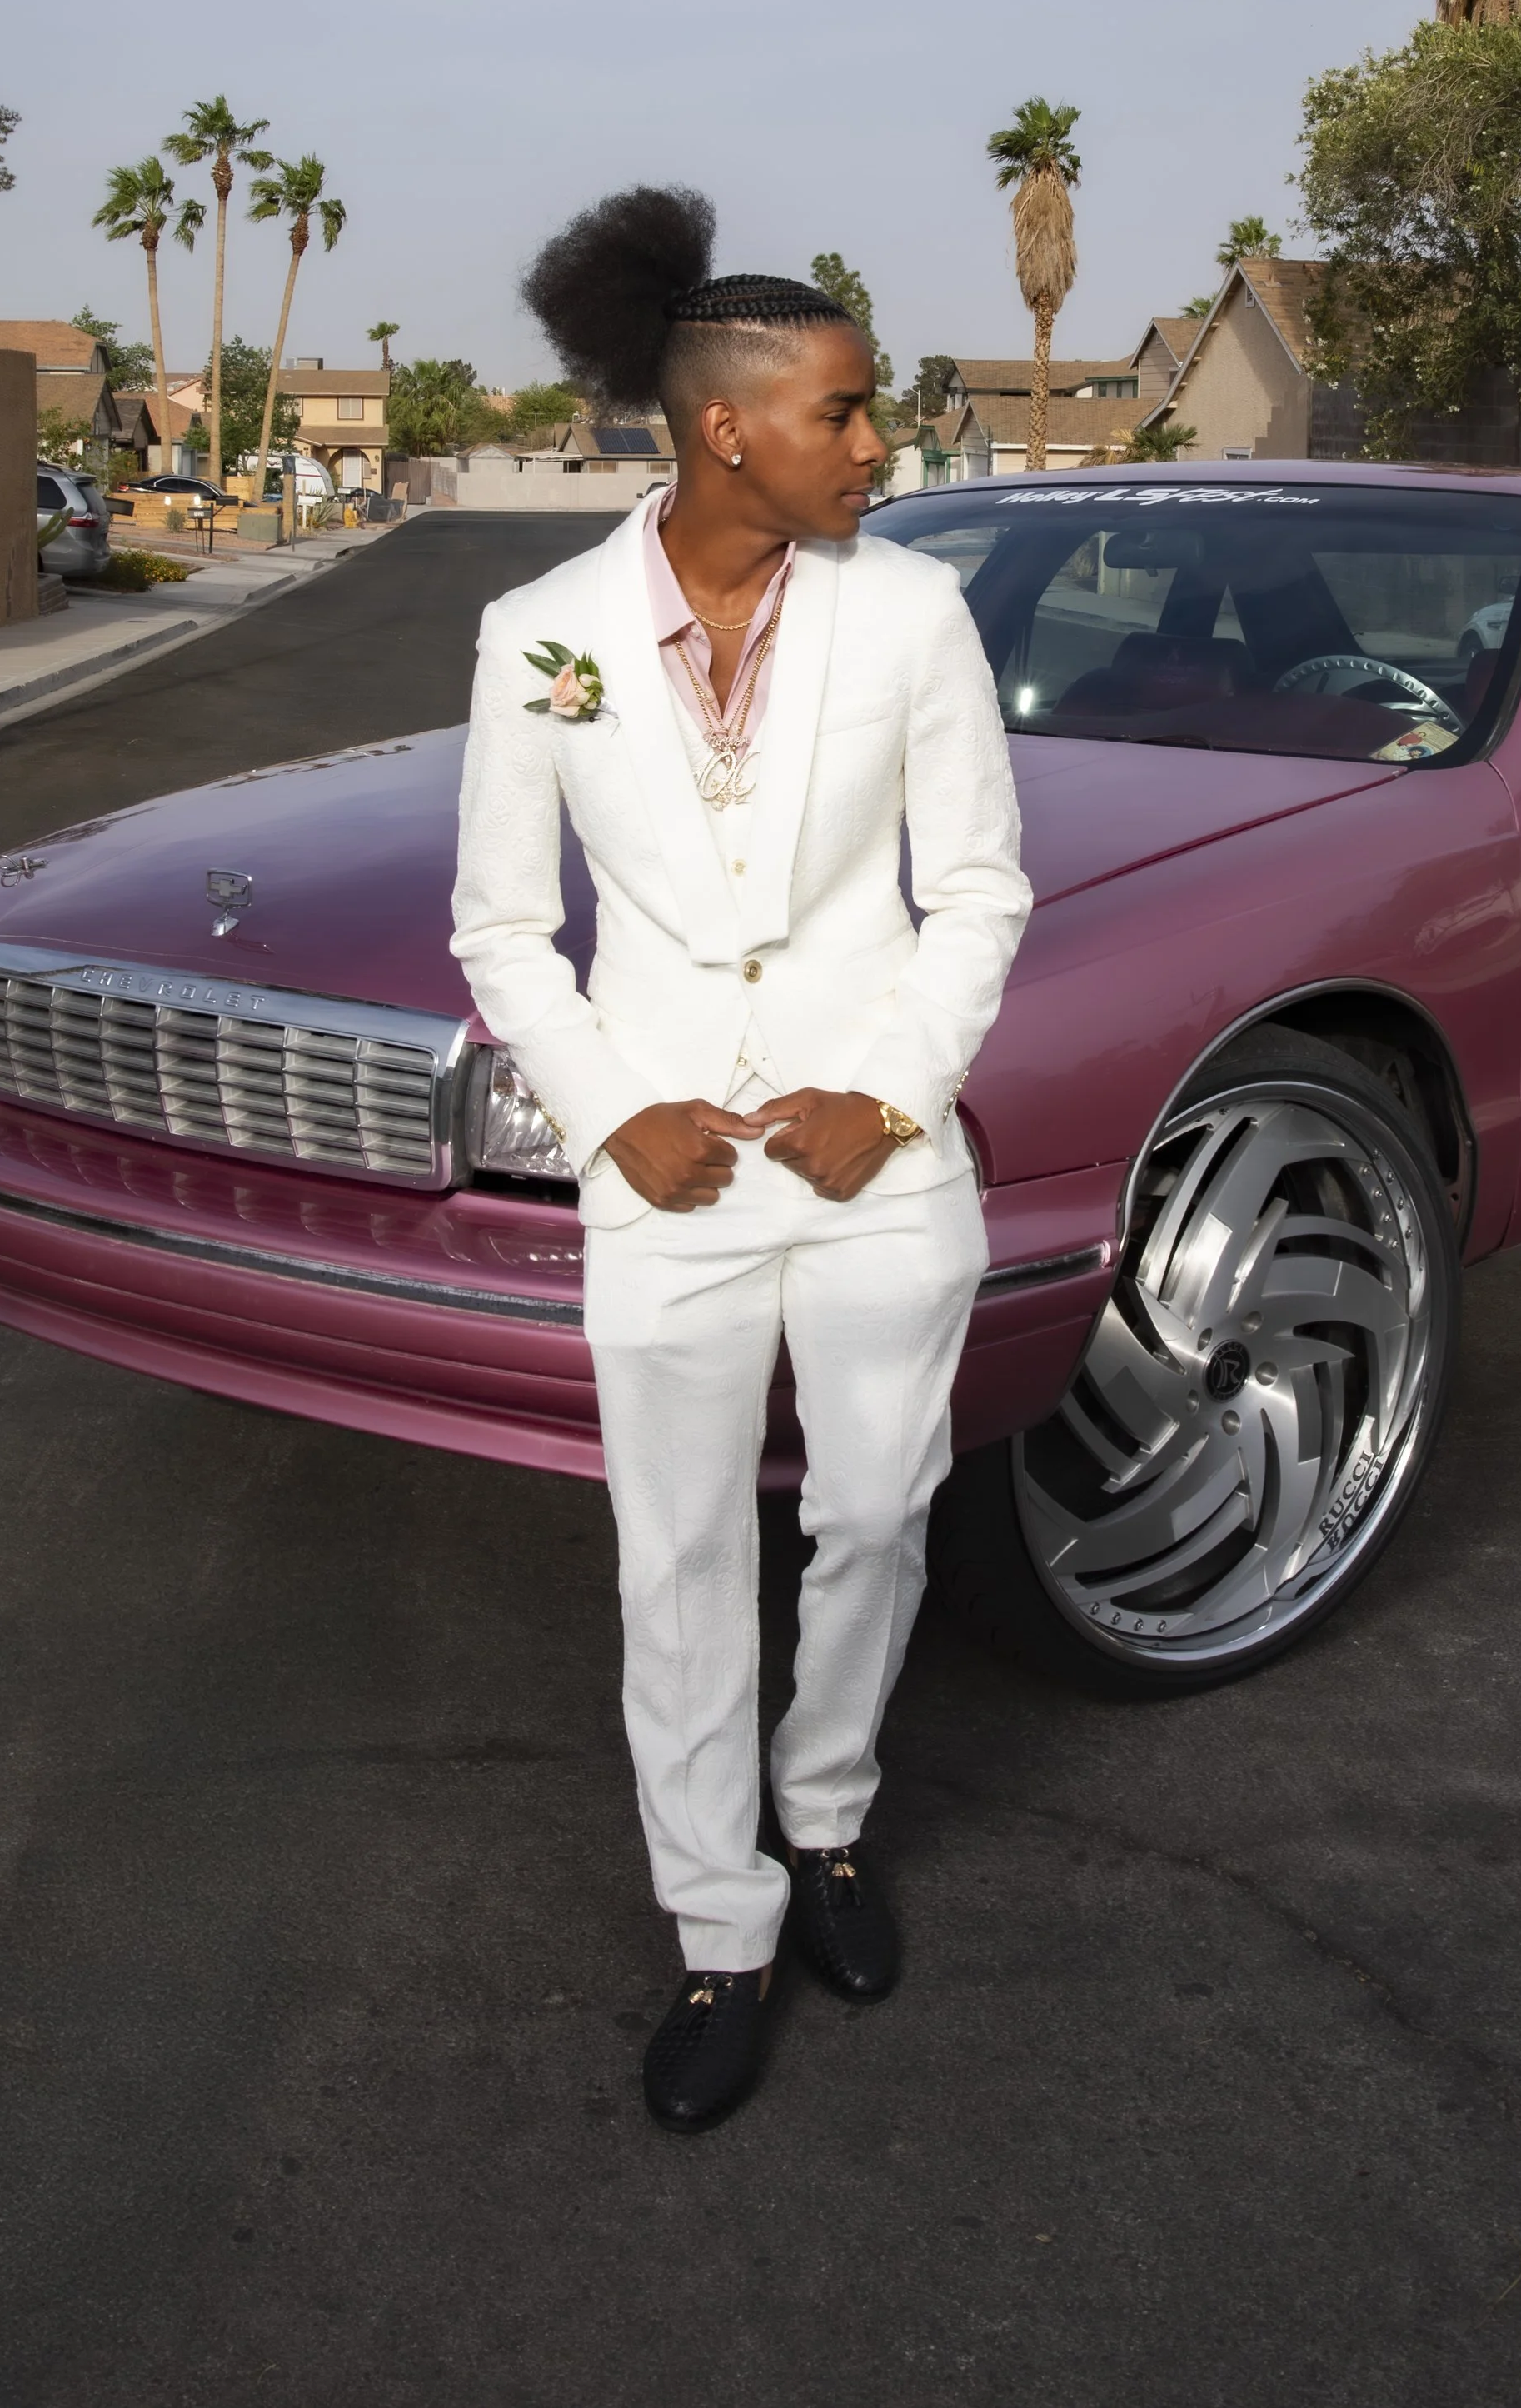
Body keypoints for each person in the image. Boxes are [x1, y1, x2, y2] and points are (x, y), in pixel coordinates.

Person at [451, 185, 1030, 2131]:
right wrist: (618, 1112)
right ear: (727, 427)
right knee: (679, 1550)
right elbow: (501, 931)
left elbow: (973, 890)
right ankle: (720, 1920)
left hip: (874, 1154)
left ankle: (833, 1816)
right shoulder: (538, 636)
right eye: (848, 413)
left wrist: (894, 1089)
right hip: (666, 1169)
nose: (882, 445)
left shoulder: (915, 609)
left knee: (872, 1508)